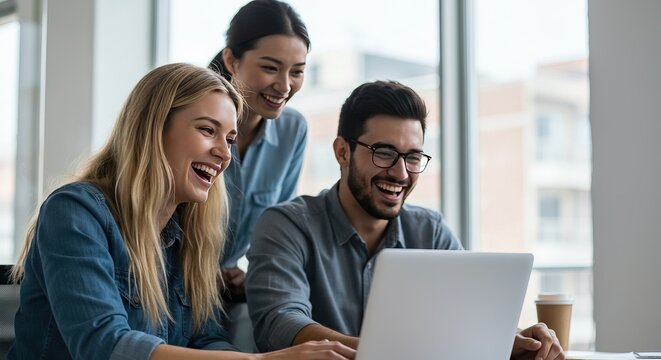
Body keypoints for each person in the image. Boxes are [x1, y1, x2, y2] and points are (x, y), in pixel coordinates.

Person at [7, 63, 355, 360]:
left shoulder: (189, 233)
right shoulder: (75, 213)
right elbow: (104, 345)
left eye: (230, 139)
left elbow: (205, 338)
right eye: (207, 130)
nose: (225, 154)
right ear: (154, 130)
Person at [245, 80, 565, 359]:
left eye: (413, 157)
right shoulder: (286, 225)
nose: (400, 173)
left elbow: (468, 318)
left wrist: (516, 339)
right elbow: (281, 323)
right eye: (383, 153)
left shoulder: (430, 230)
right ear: (342, 152)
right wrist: (382, 354)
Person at [209, 0, 310, 300]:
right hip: (167, 282)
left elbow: (275, 229)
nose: (284, 86)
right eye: (270, 68)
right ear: (231, 60)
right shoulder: (190, 118)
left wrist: (253, 277)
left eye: (297, 71)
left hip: (226, 293)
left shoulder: (293, 130)